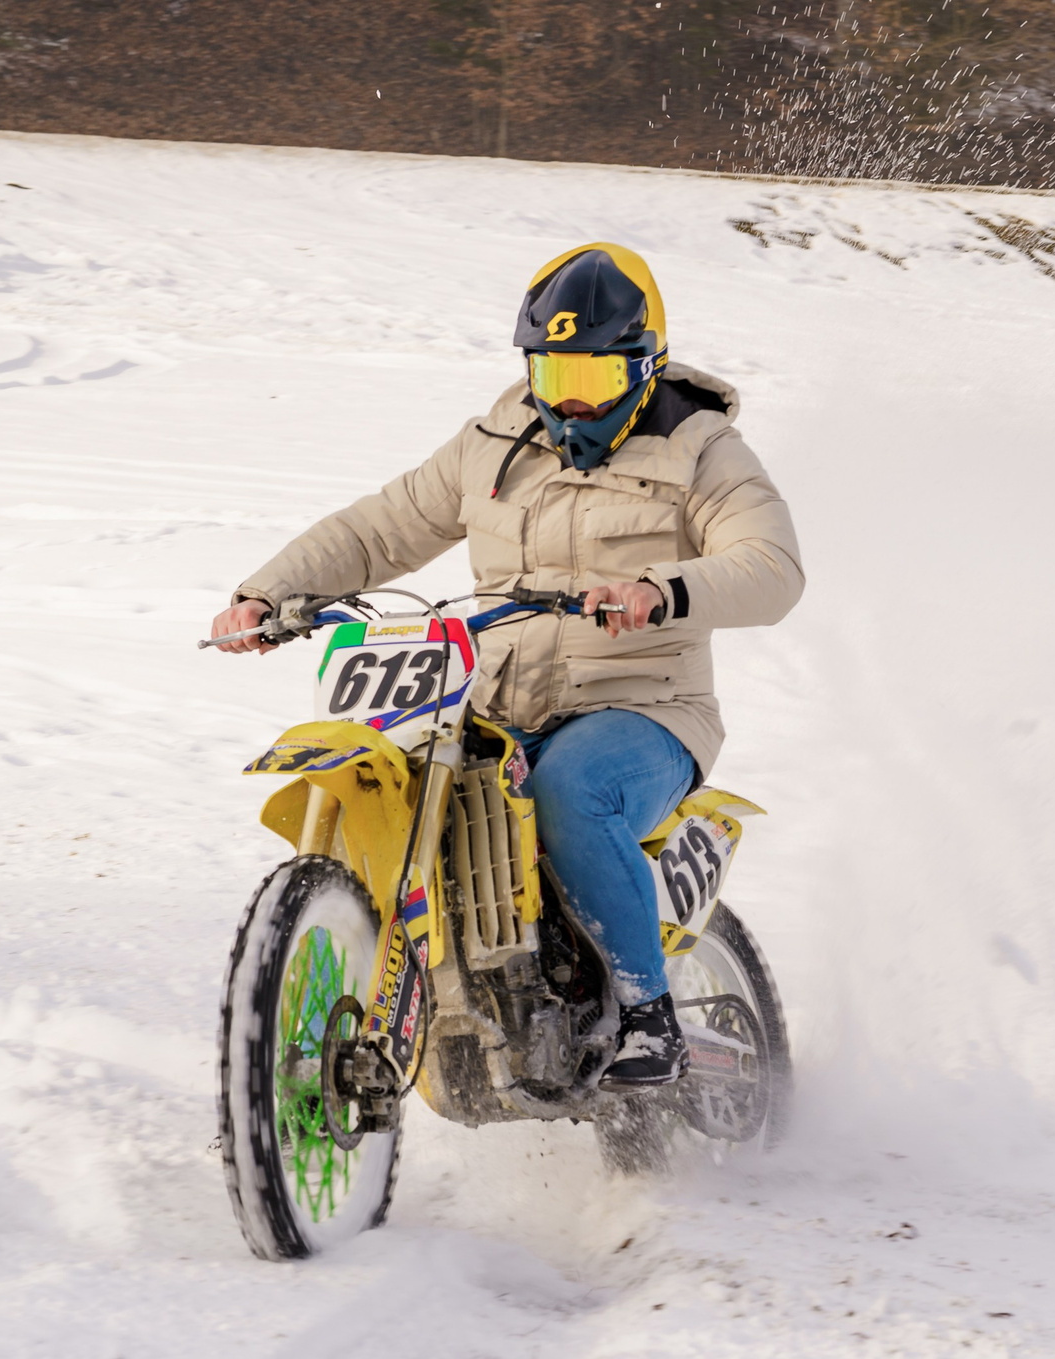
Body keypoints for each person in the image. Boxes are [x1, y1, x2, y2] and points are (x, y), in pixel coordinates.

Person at [210, 242, 804, 1086]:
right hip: (495, 698)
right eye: (551, 373)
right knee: (408, 773)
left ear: (645, 365)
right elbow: (380, 529)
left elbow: (772, 568)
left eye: (593, 379)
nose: (568, 399)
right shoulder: (491, 444)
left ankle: (647, 1014)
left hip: (646, 707)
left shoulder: (702, 452)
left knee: (570, 787)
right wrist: (269, 594)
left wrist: (658, 590)